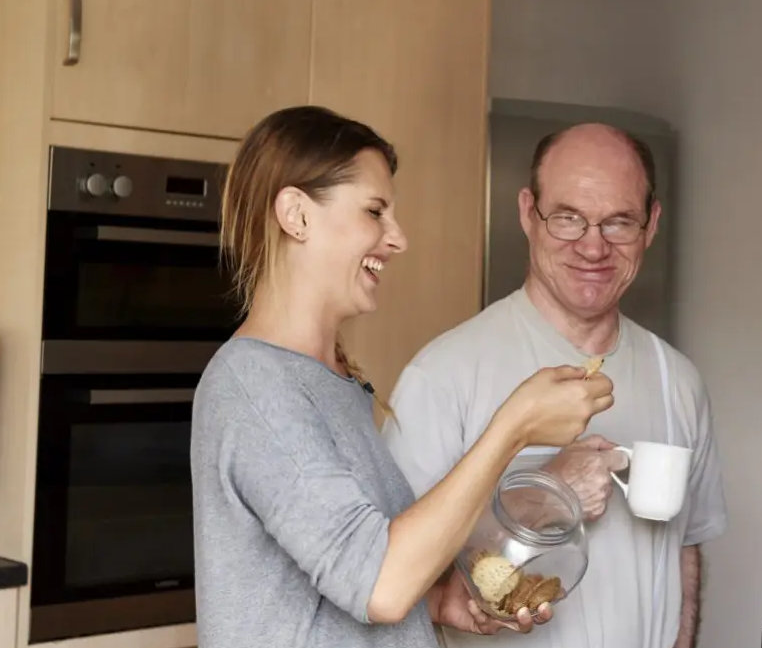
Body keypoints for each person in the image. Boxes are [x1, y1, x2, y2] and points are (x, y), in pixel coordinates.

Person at [189, 106, 615, 648]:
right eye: (375, 211)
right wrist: (515, 428)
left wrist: (438, 601)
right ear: (296, 215)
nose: (398, 239)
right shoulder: (255, 386)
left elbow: (340, 578)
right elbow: (380, 585)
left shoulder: (333, 382)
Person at [383, 122, 728, 648]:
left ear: (651, 224)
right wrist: (546, 494)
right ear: (528, 212)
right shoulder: (443, 376)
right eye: (568, 218)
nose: (593, 247)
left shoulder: (677, 378)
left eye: (619, 222)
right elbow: (390, 580)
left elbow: (684, 546)